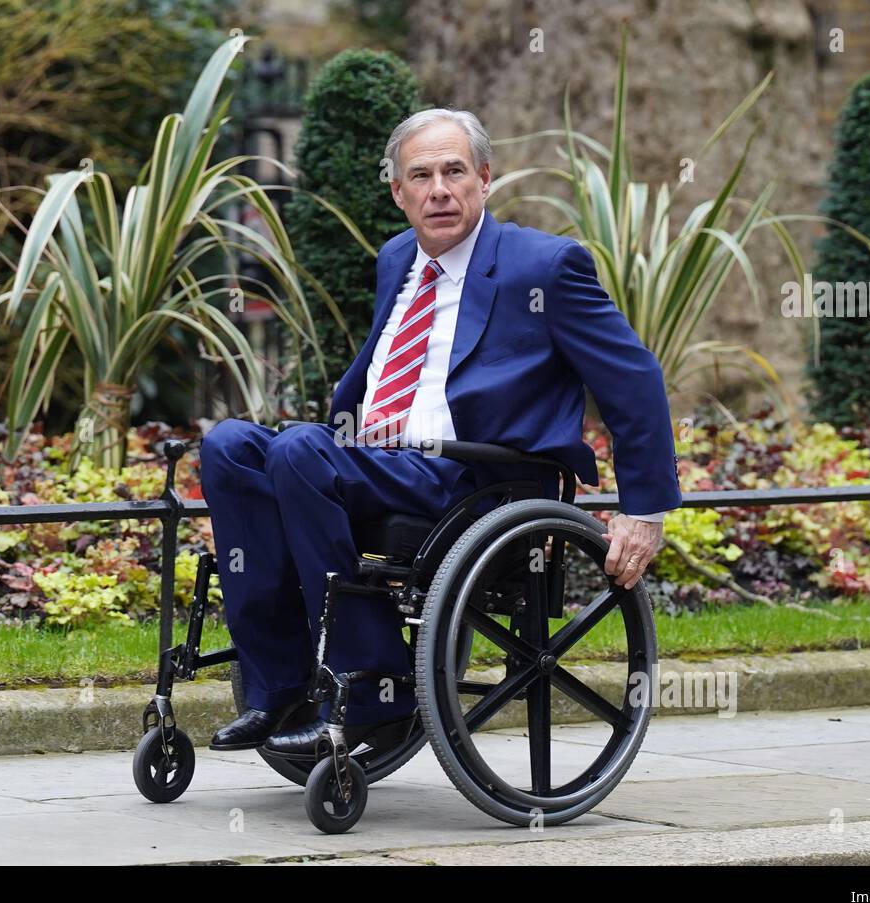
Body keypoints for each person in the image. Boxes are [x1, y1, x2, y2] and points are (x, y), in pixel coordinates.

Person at [201, 107, 681, 755]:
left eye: (455, 171)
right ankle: (278, 683)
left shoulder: (544, 266)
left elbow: (635, 376)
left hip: (476, 480)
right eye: (420, 176)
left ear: (485, 178)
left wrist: (643, 510)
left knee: (301, 449)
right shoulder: (397, 256)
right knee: (229, 444)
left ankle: (374, 687)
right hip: (376, 462)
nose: (439, 189)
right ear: (398, 193)